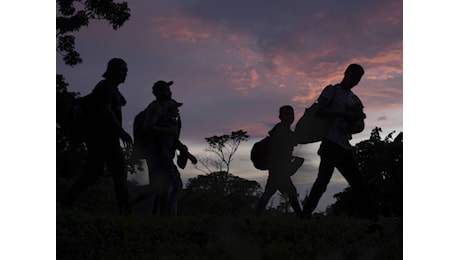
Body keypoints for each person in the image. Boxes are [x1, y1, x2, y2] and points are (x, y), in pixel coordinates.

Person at [301, 64, 378, 219]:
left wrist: (353, 118)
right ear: (345, 74)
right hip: (330, 144)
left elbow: (361, 116)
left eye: (358, 79)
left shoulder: (354, 98)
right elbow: (319, 111)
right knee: (322, 184)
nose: (354, 81)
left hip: (344, 147)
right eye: (352, 77)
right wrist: (341, 114)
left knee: (359, 184)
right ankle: (304, 216)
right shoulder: (332, 91)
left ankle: (373, 220)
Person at [62, 58, 133, 215]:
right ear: (112, 70)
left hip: (101, 138)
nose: (125, 74)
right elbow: (106, 110)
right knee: (119, 172)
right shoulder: (106, 86)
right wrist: (121, 132)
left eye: (126, 71)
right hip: (104, 137)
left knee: (93, 173)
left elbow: (121, 102)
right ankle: (126, 212)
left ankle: (67, 202)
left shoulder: (110, 88)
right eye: (123, 70)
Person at [133, 80, 196, 216]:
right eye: (168, 90)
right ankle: (166, 214)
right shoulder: (157, 109)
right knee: (174, 184)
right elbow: (148, 128)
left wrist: (189, 155)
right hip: (158, 155)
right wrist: (169, 130)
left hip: (159, 154)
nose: (178, 110)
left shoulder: (167, 118)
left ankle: (154, 213)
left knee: (158, 187)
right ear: (161, 92)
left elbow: (174, 141)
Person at [256, 105, 304, 217]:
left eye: (291, 114)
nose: (290, 117)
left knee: (270, 192)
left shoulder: (284, 130)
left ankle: (256, 215)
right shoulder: (280, 130)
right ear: (280, 116)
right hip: (278, 168)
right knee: (290, 191)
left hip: (278, 168)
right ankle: (301, 217)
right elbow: (281, 147)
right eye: (287, 114)